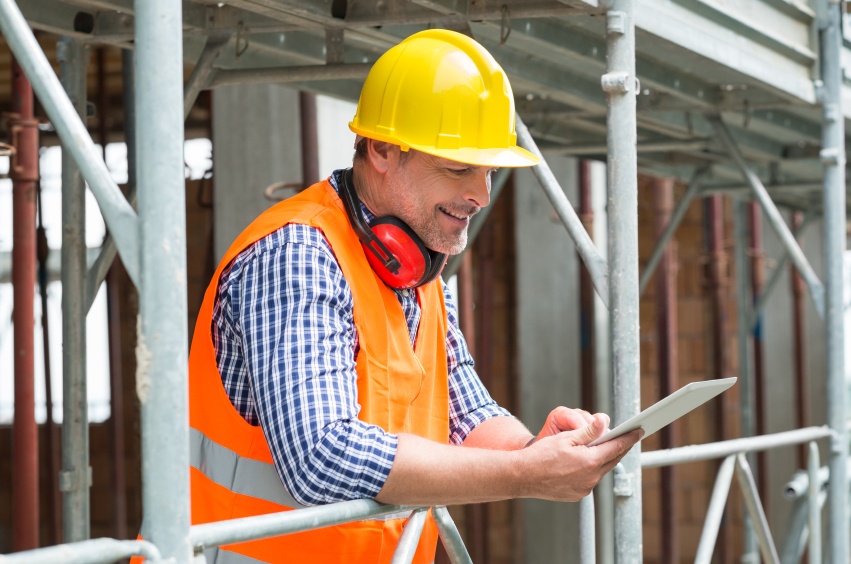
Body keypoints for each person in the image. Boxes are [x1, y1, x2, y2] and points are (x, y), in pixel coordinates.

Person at [186, 28, 641, 563]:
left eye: (489, 170)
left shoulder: (422, 277)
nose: (480, 194)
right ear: (381, 149)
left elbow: (466, 415)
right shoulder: (297, 256)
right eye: (457, 168)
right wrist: (524, 474)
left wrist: (532, 449)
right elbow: (321, 456)